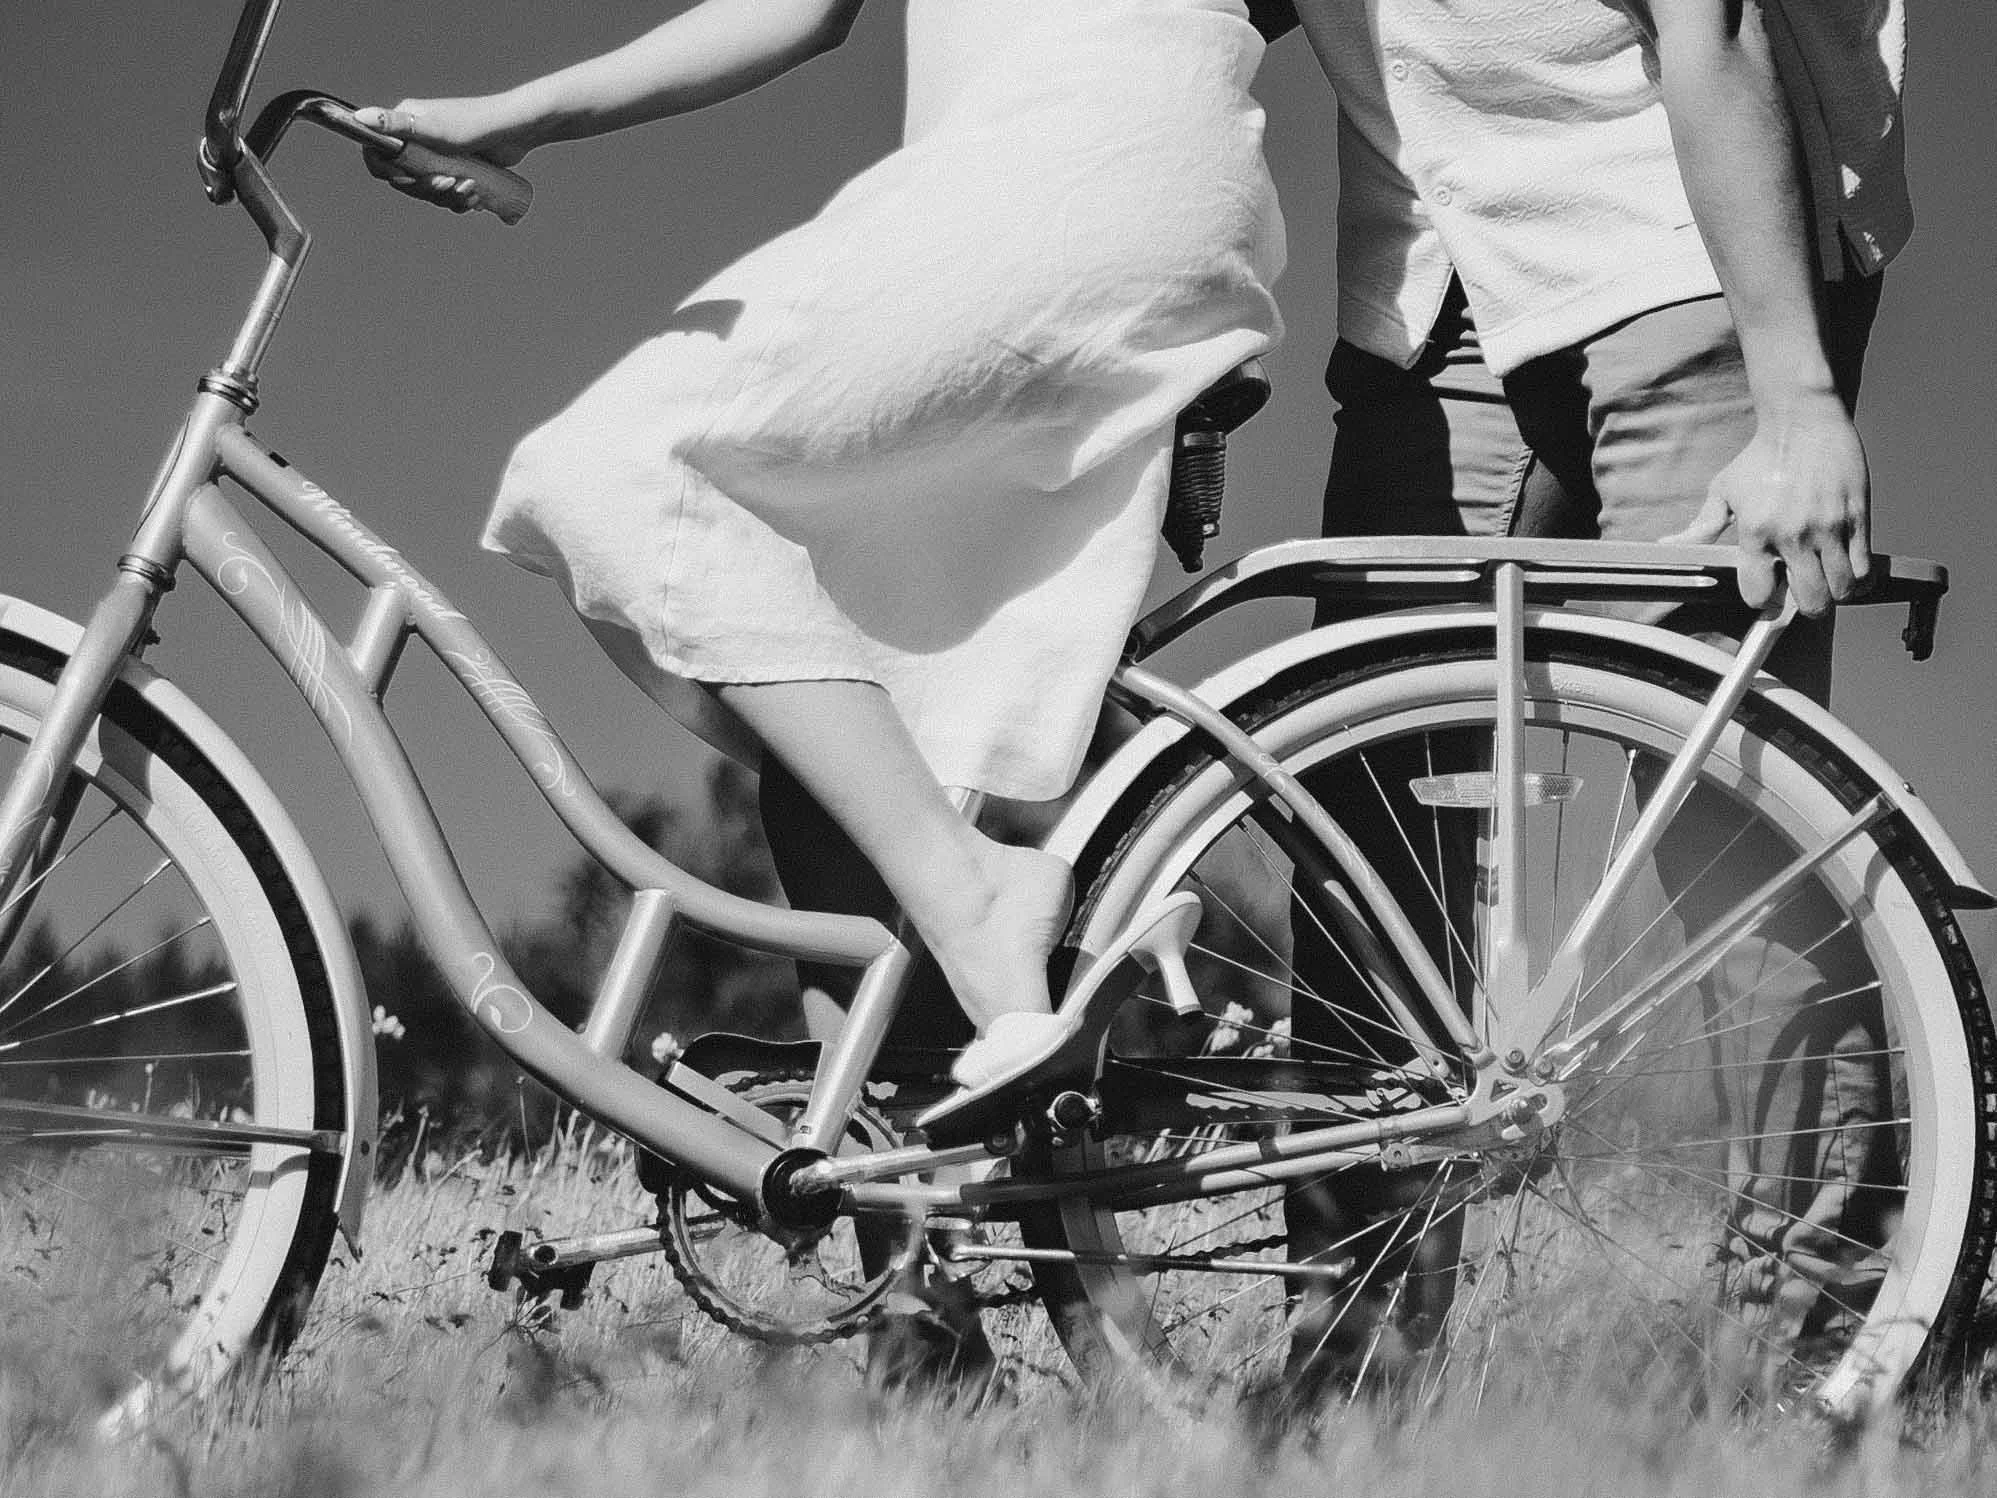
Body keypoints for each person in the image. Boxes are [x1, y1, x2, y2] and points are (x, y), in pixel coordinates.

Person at [359, 0, 1285, 1103]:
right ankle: (892, 1177)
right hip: (1128, 172)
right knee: (838, 748)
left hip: (1073, 160)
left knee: (609, 463)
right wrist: (517, 117)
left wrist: (517, 114)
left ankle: (979, 896)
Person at [1270, 0, 1908, 1397]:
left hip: (1678, 240)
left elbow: (1709, 27)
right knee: (1357, 818)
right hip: (1430, 292)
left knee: (1725, 805)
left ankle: (1814, 1355)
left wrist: (1795, 398)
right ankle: (1348, 1353)